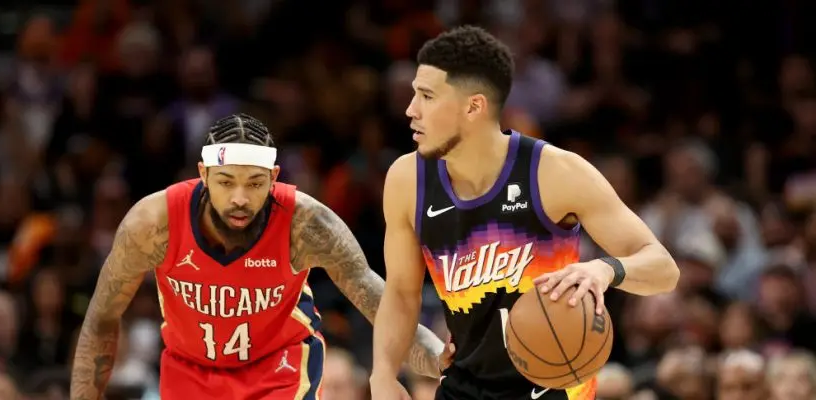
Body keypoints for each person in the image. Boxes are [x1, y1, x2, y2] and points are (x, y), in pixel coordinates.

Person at [370, 26, 680, 400]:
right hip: (464, 388)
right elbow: (402, 294)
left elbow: (663, 268)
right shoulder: (408, 179)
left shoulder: (555, 172)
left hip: (555, 388)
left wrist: (604, 269)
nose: (410, 109)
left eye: (427, 96)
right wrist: (383, 374)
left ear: (473, 106)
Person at [70, 114, 446, 399]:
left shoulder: (307, 224)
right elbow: (102, 317)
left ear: (274, 176)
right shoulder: (153, 223)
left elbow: (380, 305)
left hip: (278, 368)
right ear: (203, 174)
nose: (239, 198)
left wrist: (438, 357)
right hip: (188, 369)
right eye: (225, 181)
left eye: (254, 183)